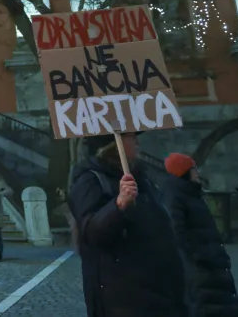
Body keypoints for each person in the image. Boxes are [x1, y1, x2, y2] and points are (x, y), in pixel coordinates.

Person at [69, 132, 186, 317]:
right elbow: (92, 233)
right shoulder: (90, 180)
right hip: (126, 297)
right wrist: (119, 205)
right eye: (131, 137)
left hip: (161, 292)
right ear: (113, 145)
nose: (138, 141)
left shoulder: (141, 178)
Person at [164, 153, 238, 317]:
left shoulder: (190, 193)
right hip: (201, 267)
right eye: (193, 168)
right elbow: (175, 232)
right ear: (184, 172)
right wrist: (199, 257)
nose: (197, 172)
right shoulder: (175, 195)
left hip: (210, 263)